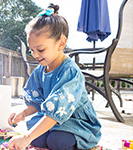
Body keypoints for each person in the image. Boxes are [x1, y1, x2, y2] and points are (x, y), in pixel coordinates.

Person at [7, 4, 101, 150]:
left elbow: (56, 111)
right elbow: (36, 101)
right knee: (37, 138)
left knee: (57, 141)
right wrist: (23, 114)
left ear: (61, 43)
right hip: (53, 118)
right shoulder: (39, 71)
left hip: (76, 121)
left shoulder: (70, 72)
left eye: (41, 49)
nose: (35, 55)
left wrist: (26, 138)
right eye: (32, 50)